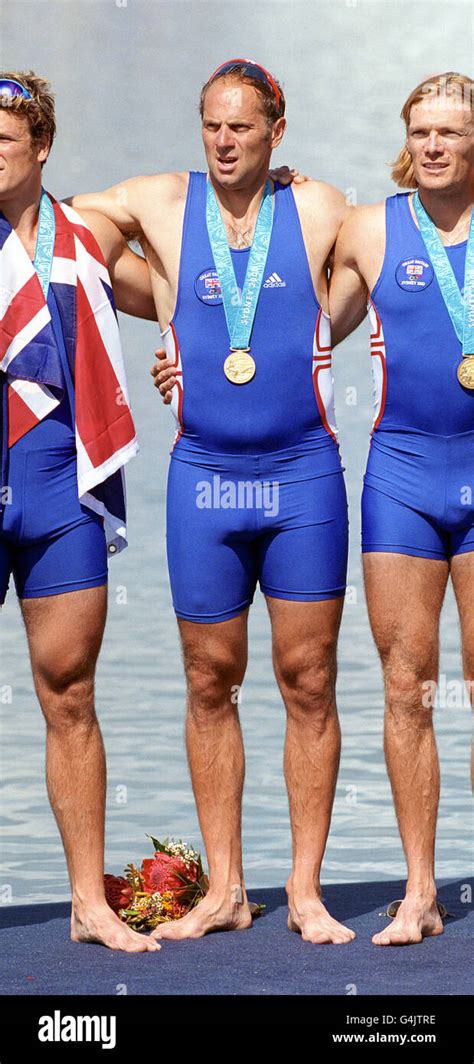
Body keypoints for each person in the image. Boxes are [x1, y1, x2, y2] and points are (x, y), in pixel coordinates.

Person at [71, 59, 355, 944]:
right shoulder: (158, 199)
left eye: (242, 127)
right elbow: (63, 222)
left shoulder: (318, 207)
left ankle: (304, 891)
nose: (224, 142)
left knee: (307, 681)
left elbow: (392, 270)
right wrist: (161, 308)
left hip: (303, 474)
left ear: (277, 128)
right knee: (207, 679)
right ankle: (227, 888)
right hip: (204, 477)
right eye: (212, 126)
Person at [0, 72, 160, 952]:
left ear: (42, 148)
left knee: (70, 692)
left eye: (2, 140)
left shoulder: (83, 239)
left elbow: (178, 293)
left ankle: (89, 904)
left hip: (60, 489)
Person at [329, 71, 473, 945]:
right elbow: (300, 331)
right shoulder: (371, 228)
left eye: (449, 133)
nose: (431, 146)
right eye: (419, 131)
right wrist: (188, 363)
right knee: (405, 688)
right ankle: (420, 892)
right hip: (403, 483)